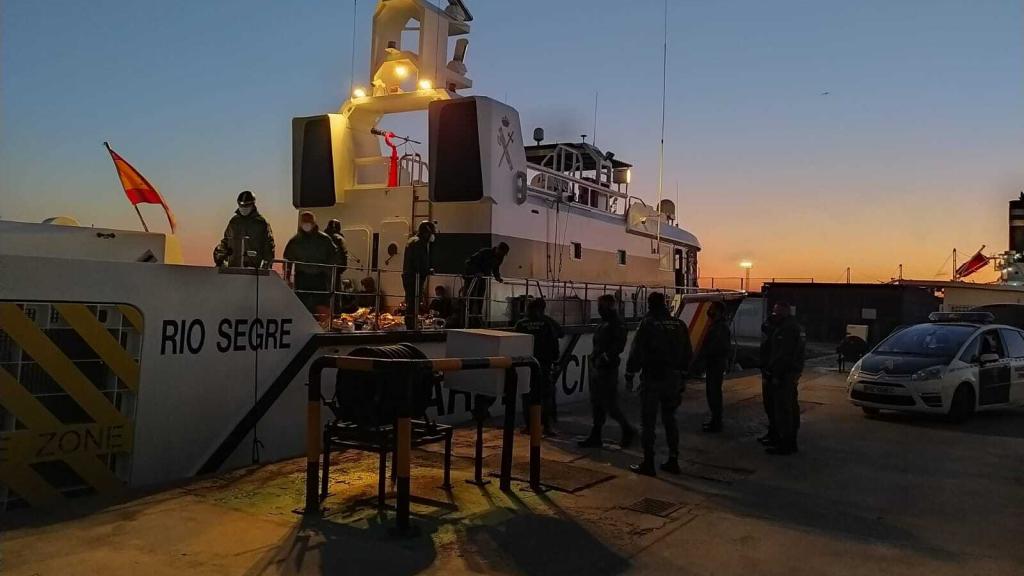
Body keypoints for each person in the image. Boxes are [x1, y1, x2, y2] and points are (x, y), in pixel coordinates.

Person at [625, 291, 693, 476]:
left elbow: (637, 351)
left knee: (648, 422)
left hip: (653, 378)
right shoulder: (679, 324)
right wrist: (682, 377)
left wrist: (630, 374)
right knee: (670, 420)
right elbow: (688, 353)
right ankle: (673, 459)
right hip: (673, 379)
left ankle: (648, 462)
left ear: (650, 304)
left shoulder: (648, 324)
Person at [579, 294, 635, 448]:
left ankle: (627, 429)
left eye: (601, 306)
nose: (599, 309)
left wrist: (605, 358)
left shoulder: (616, 324)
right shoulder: (606, 322)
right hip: (598, 367)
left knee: (609, 404)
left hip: (606, 369)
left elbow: (618, 345)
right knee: (597, 403)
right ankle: (596, 435)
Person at [514, 297, 563, 437]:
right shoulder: (547, 323)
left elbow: (514, 342)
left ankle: (529, 426)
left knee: (527, 395)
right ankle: (547, 426)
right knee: (545, 396)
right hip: (544, 365)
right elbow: (559, 334)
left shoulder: (521, 324)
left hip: (526, 364)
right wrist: (555, 358)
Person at [764, 301, 805, 455]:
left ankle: (786, 442)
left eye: (777, 313)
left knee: (784, 408)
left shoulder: (788, 329)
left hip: (785, 374)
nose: (774, 315)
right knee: (785, 407)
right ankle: (786, 440)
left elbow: (784, 355)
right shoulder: (786, 327)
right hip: (786, 373)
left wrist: (776, 375)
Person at [283, 211, 339, 314]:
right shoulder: (295, 241)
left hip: (320, 277)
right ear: (300, 223)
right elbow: (287, 260)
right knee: (302, 306)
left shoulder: (324, 240)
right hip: (302, 277)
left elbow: (334, 257)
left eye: (309, 221)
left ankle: (323, 327)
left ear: (314, 222)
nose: (307, 224)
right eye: (304, 221)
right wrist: (287, 278)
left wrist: (329, 274)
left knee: (321, 306)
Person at [213, 190, 275, 268]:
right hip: (234, 268)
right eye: (241, 205)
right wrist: (219, 252)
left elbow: (269, 246)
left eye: (246, 205)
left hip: (255, 271)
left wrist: (266, 266)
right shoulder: (234, 222)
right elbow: (226, 241)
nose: (243, 208)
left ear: (253, 205)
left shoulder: (261, 223)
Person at [697, 301, 731, 433]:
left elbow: (716, 347)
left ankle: (716, 422)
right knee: (712, 393)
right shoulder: (717, 326)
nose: (709, 311)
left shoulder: (720, 327)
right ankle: (715, 420)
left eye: (712, 309)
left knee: (714, 393)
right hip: (714, 363)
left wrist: (704, 359)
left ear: (718, 311)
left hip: (715, 364)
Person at [462, 242, 510, 327]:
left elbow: (495, 268)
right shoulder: (485, 252)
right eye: (501, 253)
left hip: (483, 279)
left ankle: (477, 319)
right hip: (472, 278)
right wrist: (476, 272)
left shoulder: (500, 257)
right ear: (498, 249)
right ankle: (466, 320)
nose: (502, 255)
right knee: (470, 298)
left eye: (503, 254)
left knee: (480, 298)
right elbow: (470, 262)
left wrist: (497, 277)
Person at [401, 221, 435, 329]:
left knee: (411, 301)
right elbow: (418, 262)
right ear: (427, 232)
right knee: (414, 300)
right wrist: (427, 271)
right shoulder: (419, 243)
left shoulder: (412, 241)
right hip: (414, 277)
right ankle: (411, 325)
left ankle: (411, 322)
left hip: (409, 276)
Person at [758, 310, 782, 446]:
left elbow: (778, 356)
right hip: (767, 371)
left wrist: (772, 372)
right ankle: (772, 433)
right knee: (769, 406)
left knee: (774, 407)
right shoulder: (771, 337)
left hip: (772, 373)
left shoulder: (777, 337)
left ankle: (776, 435)